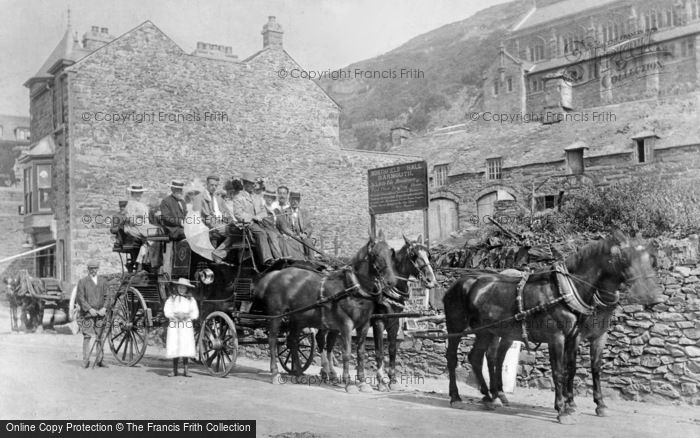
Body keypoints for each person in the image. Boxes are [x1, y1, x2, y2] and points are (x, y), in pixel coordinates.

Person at [230, 172, 282, 266]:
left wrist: (260, 216)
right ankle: (267, 259)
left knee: (272, 233)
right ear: (244, 184)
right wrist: (253, 217)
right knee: (261, 233)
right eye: (250, 184)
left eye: (253, 184)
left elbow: (263, 211)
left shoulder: (257, 197)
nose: (252, 186)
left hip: (260, 223)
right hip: (247, 224)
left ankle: (279, 258)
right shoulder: (239, 197)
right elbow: (238, 214)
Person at [76, 260, 110, 368]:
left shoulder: (103, 281)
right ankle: (85, 360)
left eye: (95, 268)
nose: (93, 271)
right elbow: (80, 298)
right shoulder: (83, 282)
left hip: (100, 314)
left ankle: (100, 359)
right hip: (88, 315)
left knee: (100, 336)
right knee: (87, 336)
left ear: (98, 269)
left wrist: (104, 308)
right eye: (91, 269)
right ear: (88, 270)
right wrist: (89, 309)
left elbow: (108, 296)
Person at [163, 278, 199, 377]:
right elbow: (167, 310)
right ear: (177, 288)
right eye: (180, 287)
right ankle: (174, 370)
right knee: (175, 344)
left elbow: (195, 312)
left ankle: (186, 370)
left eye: (183, 288)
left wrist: (187, 316)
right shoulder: (172, 298)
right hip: (175, 324)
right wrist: (173, 315)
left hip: (186, 324)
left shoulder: (191, 300)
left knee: (185, 345)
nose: (181, 289)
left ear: (187, 289)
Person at [123, 184, 160, 271]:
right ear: (132, 194)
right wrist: (142, 223)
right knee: (155, 232)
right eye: (136, 193)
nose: (139, 195)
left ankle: (142, 260)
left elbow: (147, 219)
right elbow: (131, 219)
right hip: (133, 228)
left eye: (140, 193)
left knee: (155, 235)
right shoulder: (130, 204)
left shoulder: (143, 205)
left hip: (142, 227)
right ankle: (142, 263)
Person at [193, 175, 227, 246]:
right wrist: (212, 224)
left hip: (220, 226)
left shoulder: (219, 199)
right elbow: (197, 218)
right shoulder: (199, 198)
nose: (214, 187)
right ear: (207, 184)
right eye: (212, 185)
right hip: (207, 228)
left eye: (216, 185)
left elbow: (225, 214)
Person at [287, 191, 314, 258]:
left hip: (302, 236)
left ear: (299, 201)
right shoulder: (284, 212)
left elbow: (309, 227)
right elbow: (283, 226)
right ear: (289, 200)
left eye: (297, 200)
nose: (294, 202)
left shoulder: (304, 212)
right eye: (293, 199)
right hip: (291, 236)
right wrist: (291, 235)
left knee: (308, 241)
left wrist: (305, 233)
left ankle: (312, 260)